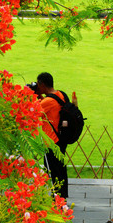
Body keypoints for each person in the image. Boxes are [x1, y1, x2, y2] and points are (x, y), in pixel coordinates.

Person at [36, 71, 71, 199]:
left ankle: (57, 198)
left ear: (41, 84)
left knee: (52, 170)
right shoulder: (61, 95)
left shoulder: (47, 101)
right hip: (62, 138)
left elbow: (32, 112)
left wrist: (32, 96)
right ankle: (62, 196)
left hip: (51, 141)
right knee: (60, 168)